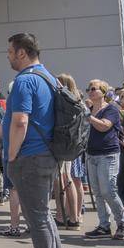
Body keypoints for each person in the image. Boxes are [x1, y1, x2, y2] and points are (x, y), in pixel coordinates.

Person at [3, 33, 66, 248]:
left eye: (10, 51)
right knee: (44, 215)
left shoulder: (24, 81)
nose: (8, 56)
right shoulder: (48, 78)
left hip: (29, 157)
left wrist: (11, 155)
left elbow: (20, 121)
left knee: (37, 218)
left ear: (21, 53)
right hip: (47, 155)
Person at [84, 79, 124, 240]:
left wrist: (89, 117)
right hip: (91, 154)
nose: (90, 91)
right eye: (88, 88)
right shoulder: (89, 109)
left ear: (103, 92)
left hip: (107, 154)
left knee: (108, 190)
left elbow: (104, 126)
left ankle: (123, 222)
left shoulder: (111, 110)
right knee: (97, 193)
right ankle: (104, 225)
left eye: (94, 88)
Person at [53, 74, 84, 230]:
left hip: (63, 143)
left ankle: (66, 216)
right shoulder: (77, 101)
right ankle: (72, 216)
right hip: (72, 143)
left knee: (64, 178)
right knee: (67, 178)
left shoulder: (65, 99)